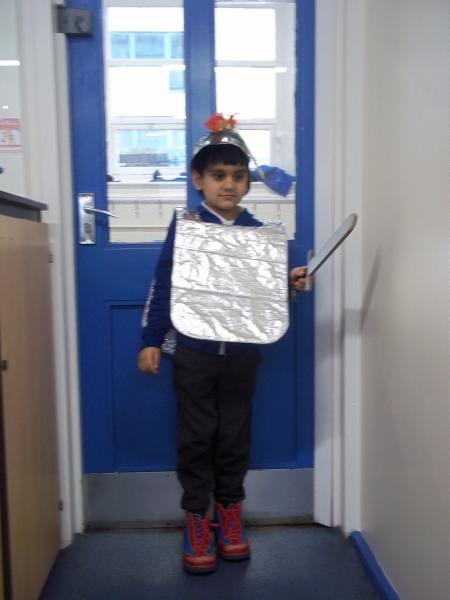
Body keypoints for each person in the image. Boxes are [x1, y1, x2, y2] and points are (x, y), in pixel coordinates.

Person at [138, 114, 307, 574]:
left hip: (241, 355)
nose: (228, 184)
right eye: (218, 175)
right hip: (192, 352)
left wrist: (290, 282)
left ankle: (230, 511)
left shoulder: (260, 233)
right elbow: (164, 283)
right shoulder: (187, 226)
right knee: (195, 437)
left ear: (248, 182)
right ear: (198, 180)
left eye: (237, 175)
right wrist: (151, 339)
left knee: (233, 436)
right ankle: (197, 516)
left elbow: (263, 292)